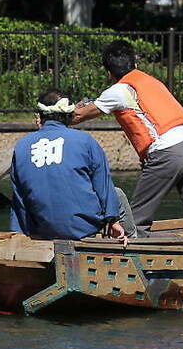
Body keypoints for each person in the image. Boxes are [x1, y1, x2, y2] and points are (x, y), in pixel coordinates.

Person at [72, 40, 183, 237]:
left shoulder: (119, 90)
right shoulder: (151, 81)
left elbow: (78, 116)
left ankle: (136, 258)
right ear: (135, 65)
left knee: (136, 218)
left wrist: (56, 115)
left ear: (109, 73)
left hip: (168, 152)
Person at [9, 89, 133, 242]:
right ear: (70, 117)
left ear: (40, 116)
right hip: (85, 229)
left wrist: (26, 231)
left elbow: (19, 198)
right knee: (117, 193)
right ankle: (133, 241)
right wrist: (113, 221)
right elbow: (104, 187)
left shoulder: (21, 146)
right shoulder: (85, 141)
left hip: (42, 230)